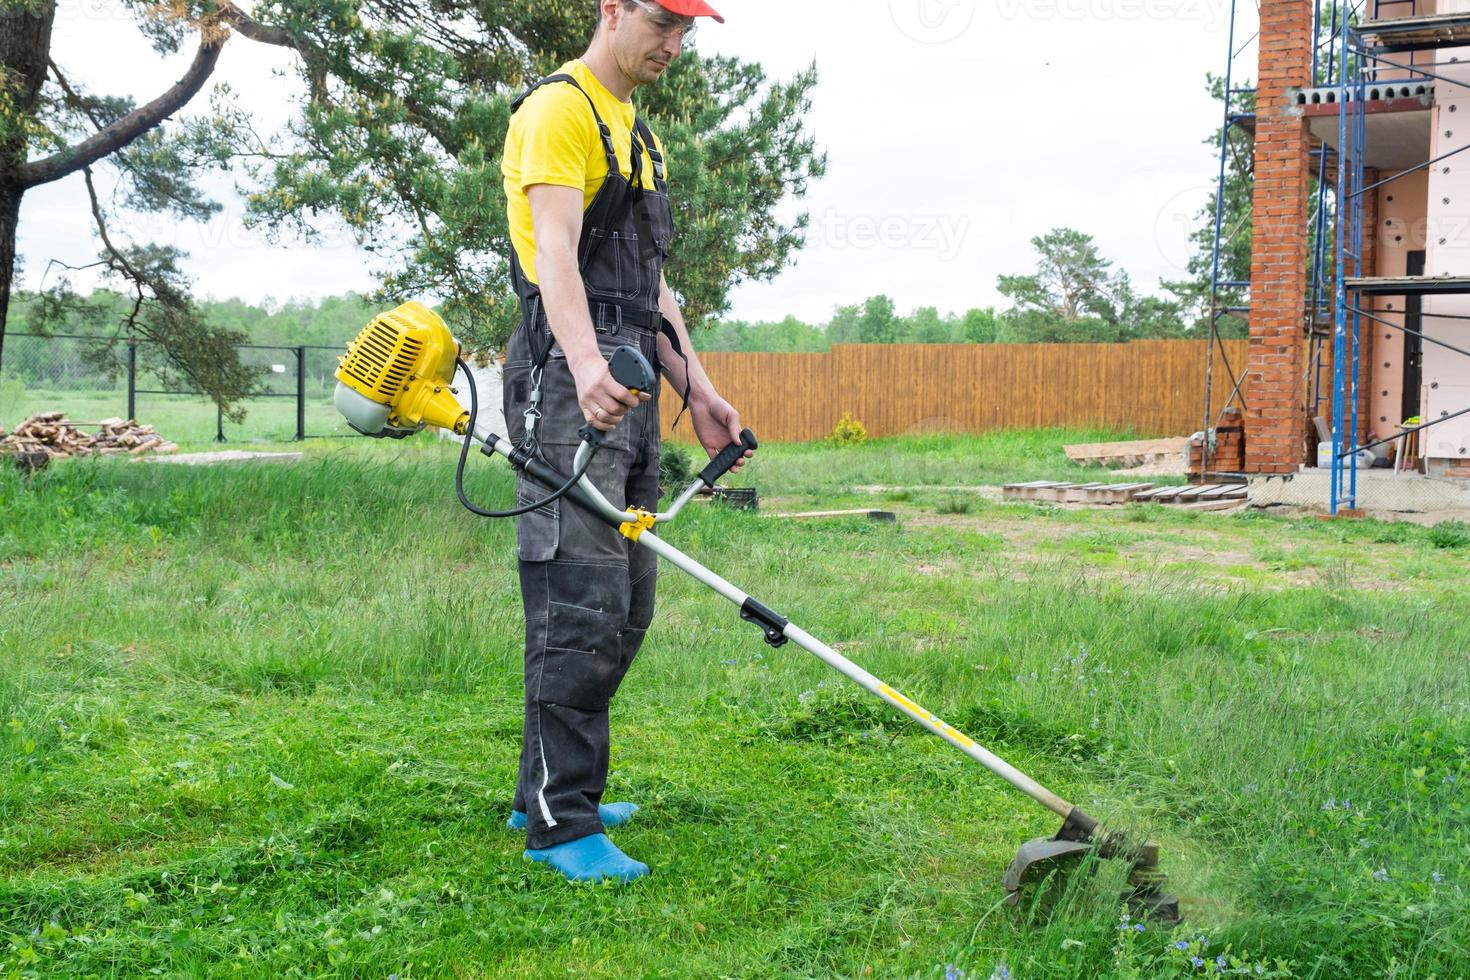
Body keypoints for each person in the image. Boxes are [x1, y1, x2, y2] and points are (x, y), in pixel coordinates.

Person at [499, 0, 751, 884]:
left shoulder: (636, 133)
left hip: (631, 373)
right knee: (578, 603)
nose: (674, 44)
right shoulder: (560, 111)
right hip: (568, 378)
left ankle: (553, 788)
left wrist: (700, 389)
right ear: (611, 10)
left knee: (627, 601)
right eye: (661, 22)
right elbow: (556, 256)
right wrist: (582, 366)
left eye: (688, 31)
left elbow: (652, 288)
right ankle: (561, 824)